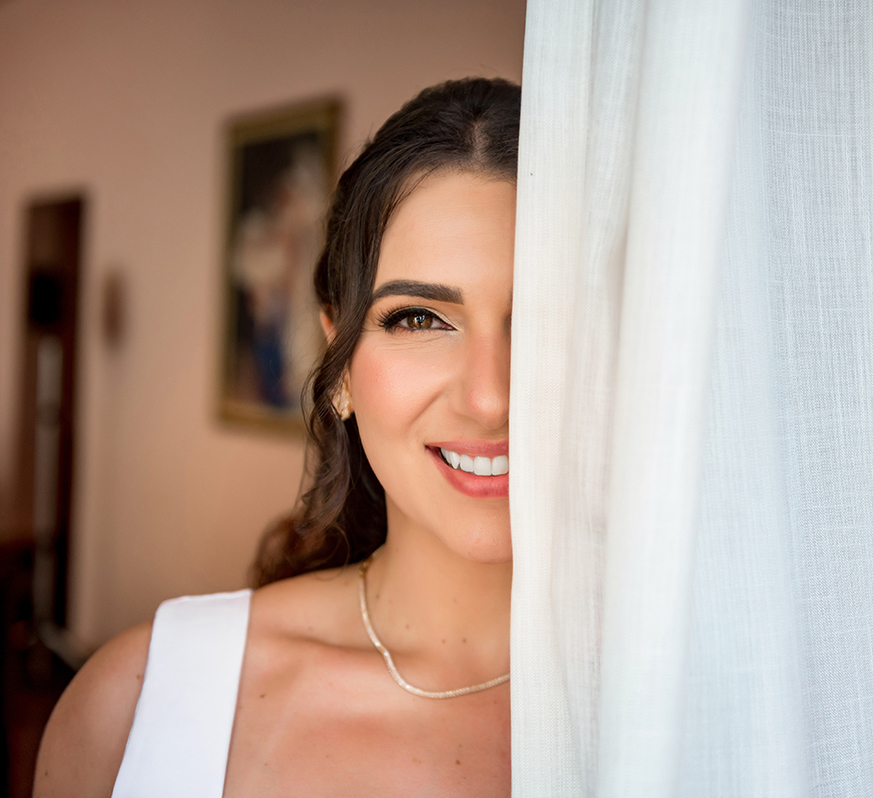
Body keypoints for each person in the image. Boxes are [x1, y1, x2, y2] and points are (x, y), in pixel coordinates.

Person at [33, 77, 520, 797]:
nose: (491, 398)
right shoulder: (131, 709)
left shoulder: (691, 705)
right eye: (419, 318)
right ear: (339, 363)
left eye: (544, 318)